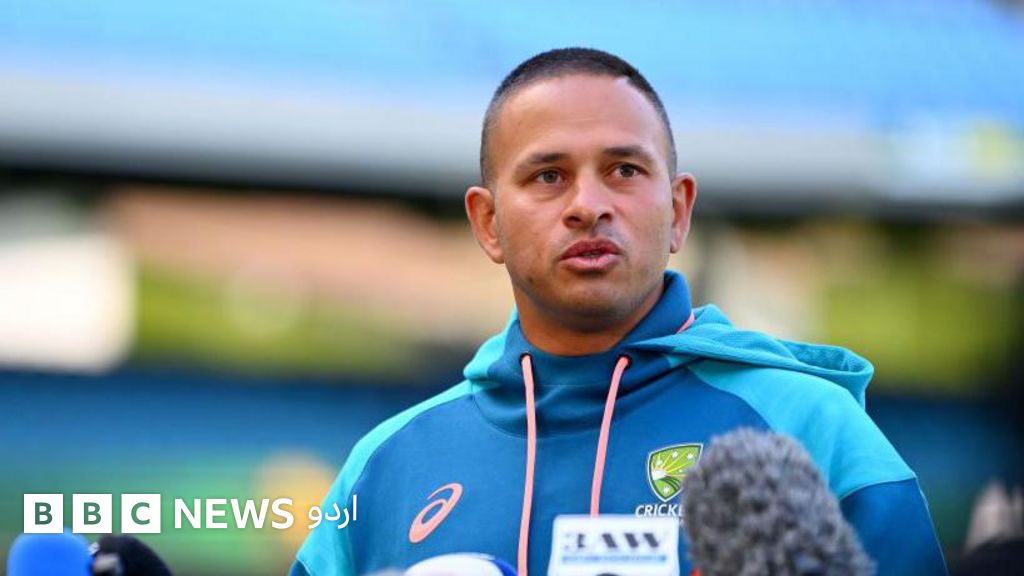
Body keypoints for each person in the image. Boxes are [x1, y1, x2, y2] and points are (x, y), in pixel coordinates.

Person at [292, 48, 947, 576]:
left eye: (625, 170)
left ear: (678, 212)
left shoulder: (812, 428)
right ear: (488, 223)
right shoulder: (385, 465)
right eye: (548, 176)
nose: (588, 205)